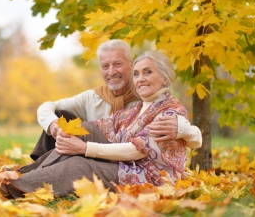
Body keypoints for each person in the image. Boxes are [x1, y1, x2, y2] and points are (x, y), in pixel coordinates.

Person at [0, 50, 202, 199]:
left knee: (80, 163)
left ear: (164, 78)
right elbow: (104, 125)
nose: (140, 79)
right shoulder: (138, 107)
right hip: (129, 164)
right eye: (136, 74)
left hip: (148, 177)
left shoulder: (169, 111)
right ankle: (9, 175)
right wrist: (71, 134)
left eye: (147, 72)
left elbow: (136, 150)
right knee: (83, 129)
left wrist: (83, 148)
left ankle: (5, 186)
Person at [32, 39, 201, 160]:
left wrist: (184, 129)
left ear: (131, 63)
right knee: (61, 115)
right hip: (86, 150)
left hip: (119, 157)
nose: (111, 72)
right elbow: (47, 106)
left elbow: (185, 127)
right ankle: (40, 166)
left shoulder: (148, 98)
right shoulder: (93, 97)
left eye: (117, 64)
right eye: (105, 66)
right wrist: (52, 124)